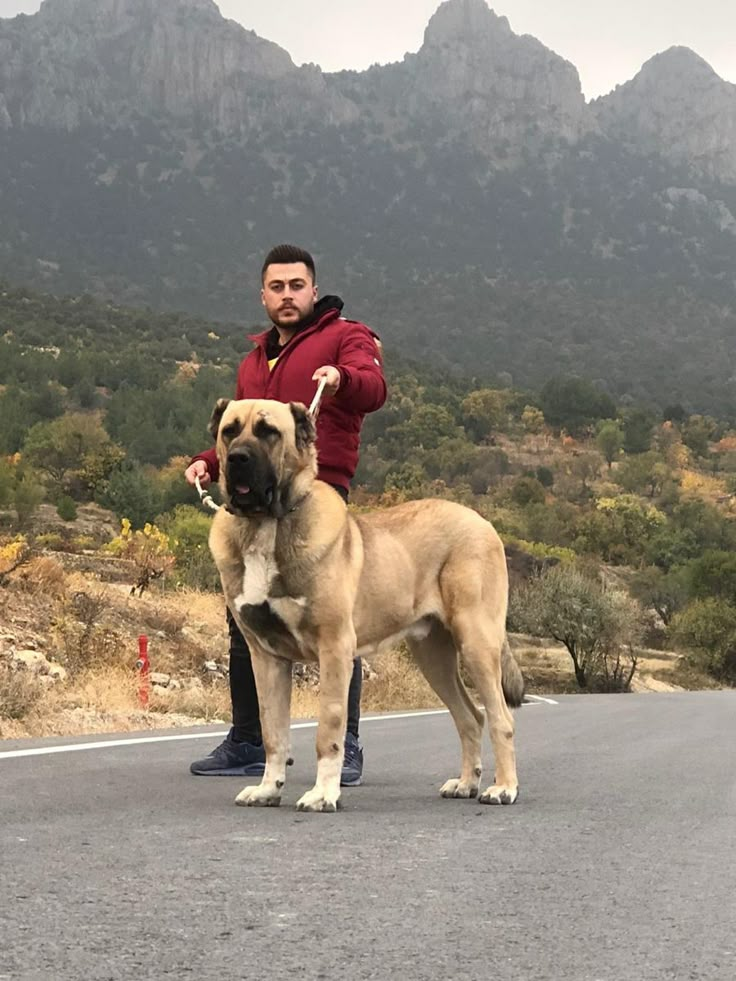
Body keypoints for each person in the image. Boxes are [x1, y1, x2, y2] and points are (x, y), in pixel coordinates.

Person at [185, 244, 387, 786]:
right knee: (245, 620)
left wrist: (342, 379)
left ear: (313, 290)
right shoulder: (254, 361)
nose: (287, 295)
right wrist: (207, 462)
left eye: (296, 285)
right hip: (253, 505)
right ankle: (250, 739)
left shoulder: (347, 337)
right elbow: (243, 440)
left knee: (332, 623)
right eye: (277, 287)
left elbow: (375, 390)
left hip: (316, 496)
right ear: (264, 296)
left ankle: (345, 745)